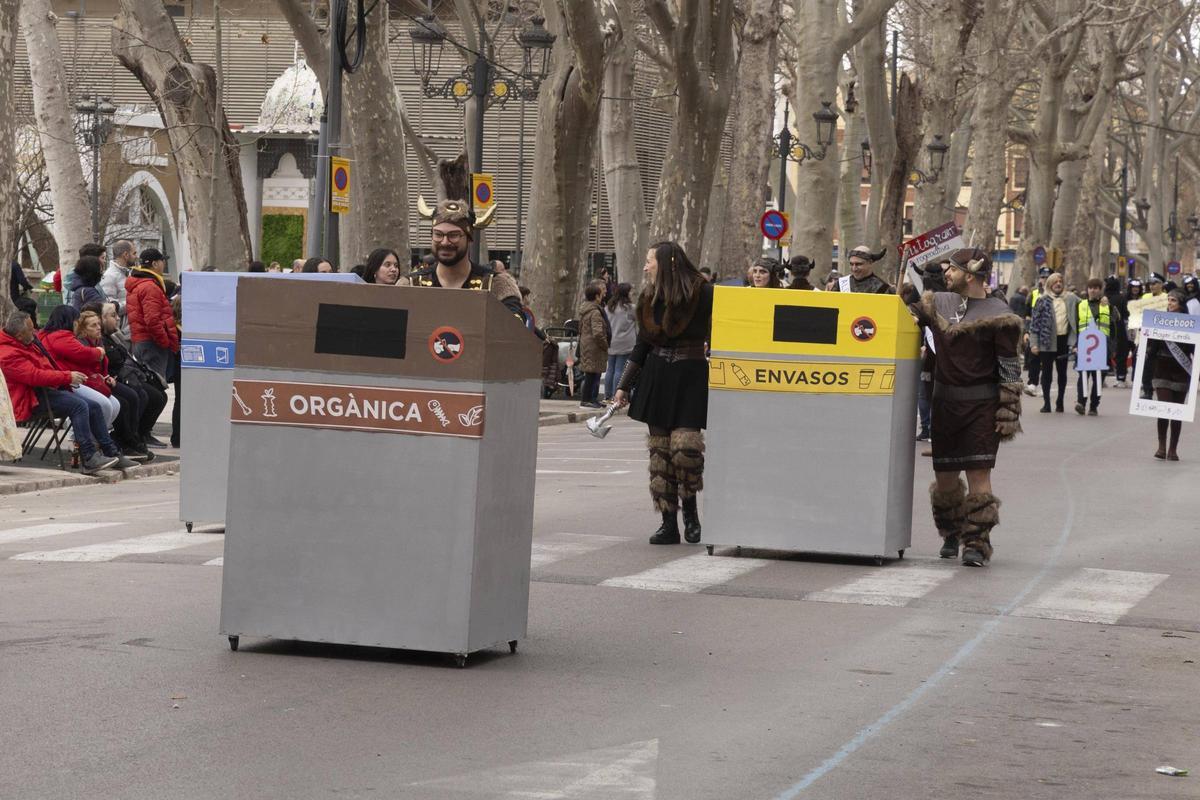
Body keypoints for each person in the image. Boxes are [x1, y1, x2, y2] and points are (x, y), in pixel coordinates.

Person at [907, 249, 1023, 567]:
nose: (946, 274)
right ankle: (951, 531)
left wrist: (1009, 412)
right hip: (944, 404)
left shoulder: (1000, 315)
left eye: (952, 270)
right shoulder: (937, 303)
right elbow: (905, 316)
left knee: (978, 475)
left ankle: (976, 542)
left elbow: (1010, 369)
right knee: (945, 478)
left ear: (968, 275)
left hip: (982, 407)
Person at [611, 241, 712, 546]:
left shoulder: (704, 292)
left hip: (690, 375)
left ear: (667, 263)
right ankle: (669, 523)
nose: (645, 266)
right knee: (661, 454)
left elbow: (725, 328)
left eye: (650, 261)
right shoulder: (648, 297)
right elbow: (641, 345)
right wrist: (622, 385)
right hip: (657, 376)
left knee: (685, 450)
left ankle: (691, 515)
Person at [0, 311, 131, 473]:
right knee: (79, 406)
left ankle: (110, 451)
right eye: (30, 330)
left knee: (94, 406)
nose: (34, 332)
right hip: (28, 398)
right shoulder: (7, 353)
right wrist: (66, 376)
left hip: (44, 390)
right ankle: (89, 457)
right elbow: (35, 375)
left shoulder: (25, 342)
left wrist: (64, 377)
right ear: (19, 335)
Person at [410, 200, 523, 316]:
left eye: (453, 235)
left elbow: (515, 330)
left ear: (469, 238)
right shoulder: (410, 285)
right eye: (438, 234)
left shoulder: (497, 286)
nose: (444, 242)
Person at [75, 309, 153, 461]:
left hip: (102, 380)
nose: (98, 328)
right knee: (121, 402)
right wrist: (102, 376)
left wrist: (107, 377)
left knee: (136, 395)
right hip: (88, 382)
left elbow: (105, 365)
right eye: (93, 325)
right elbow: (85, 369)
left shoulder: (99, 341)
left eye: (98, 324)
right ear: (84, 329)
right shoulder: (82, 345)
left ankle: (130, 439)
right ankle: (115, 442)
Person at [92, 301, 168, 451]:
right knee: (134, 396)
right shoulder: (99, 340)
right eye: (114, 315)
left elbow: (122, 356)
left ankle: (137, 435)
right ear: (102, 318)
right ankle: (126, 438)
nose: (119, 319)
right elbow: (113, 360)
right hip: (109, 378)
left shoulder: (113, 336)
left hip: (120, 375)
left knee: (156, 394)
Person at [38, 304, 120, 430]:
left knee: (114, 403)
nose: (99, 328)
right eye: (94, 325)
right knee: (103, 405)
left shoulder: (63, 336)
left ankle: (99, 440)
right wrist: (99, 352)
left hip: (74, 378)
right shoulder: (59, 336)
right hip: (66, 381)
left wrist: (104, 375)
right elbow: (82, 354)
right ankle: (86, 441)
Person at [1146, 290, 1192, 460]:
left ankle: (1173, 449)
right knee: (1164, 409)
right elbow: (1152, 347)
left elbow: (1194, 350)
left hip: (1181, 372)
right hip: (1162, 369)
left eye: (1173, 300)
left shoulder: (1191, 324)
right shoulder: (1160, 321)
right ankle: (1161, 447)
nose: (1170, 303)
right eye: (1168, 300)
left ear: (1180, 303)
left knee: (1177, 412)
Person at [126, 248, 179, 383]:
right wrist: (164, 342)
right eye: (162, 261)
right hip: (152, 343)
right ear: (155, 264)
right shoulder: (150, 287)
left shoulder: (138, 284)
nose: (164, 265)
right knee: (156, 385)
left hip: (141, 341)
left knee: (149, 384)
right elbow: (152, 320)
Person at [1028, 272, 1078, 413]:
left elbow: (1086, 304)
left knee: (1062, 372)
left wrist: (1103, 300)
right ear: (1049, 284)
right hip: (1046, 341)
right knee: (1047, 373)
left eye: (1060, 281)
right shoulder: (1042, 300)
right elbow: (1034, 324)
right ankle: (1047, 403)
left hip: (1063, 340)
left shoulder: (1070, 298)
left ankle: (1060, 401)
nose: (1058, 284)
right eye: (1055, 282)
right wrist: (1034, 344)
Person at [1074, 278, 1112, 416]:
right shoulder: (1081, 304)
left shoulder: (1107, 304)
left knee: (1098, 378)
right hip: (1085, 345)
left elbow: (1116, 321)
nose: (1093, 290)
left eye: (1096, 288)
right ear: (1087, 289)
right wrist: (1075, 345)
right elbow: (1075, 326)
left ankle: (1094, 406)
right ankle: (1081, 403)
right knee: (1083, 375)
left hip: (1102, 346)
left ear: (1100, 289)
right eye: (1091, 287)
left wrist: (1110, 306)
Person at [576, 282, 609, 409]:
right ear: (596, 296)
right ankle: (586, 400)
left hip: (587, 344)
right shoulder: (594, 312)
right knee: (591, 374)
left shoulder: (586, 310)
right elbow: (597, 333)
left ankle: (591, 399)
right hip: (594, 346)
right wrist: (604, 344)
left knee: (592, 373)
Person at [605, 282, 636, 401]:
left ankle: (608, 395)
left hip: (611, 341)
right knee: (620, 369)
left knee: (610, 369)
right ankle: (616, 395)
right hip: (625, 342)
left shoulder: (608, 307)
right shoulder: (630, 308)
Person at [100, 240, 136, 308]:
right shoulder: (109, 276)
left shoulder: (130, 273)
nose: (136, 257)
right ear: (126, 255)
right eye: (134, 253)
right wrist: (134, 303)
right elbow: (109, 307)